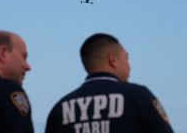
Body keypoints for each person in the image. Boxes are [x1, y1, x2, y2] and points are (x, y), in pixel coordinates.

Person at [45, 33, 174, 133]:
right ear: (112, 59)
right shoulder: (139, 98)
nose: (129, 66)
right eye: (126, 58)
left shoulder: (59, 110)